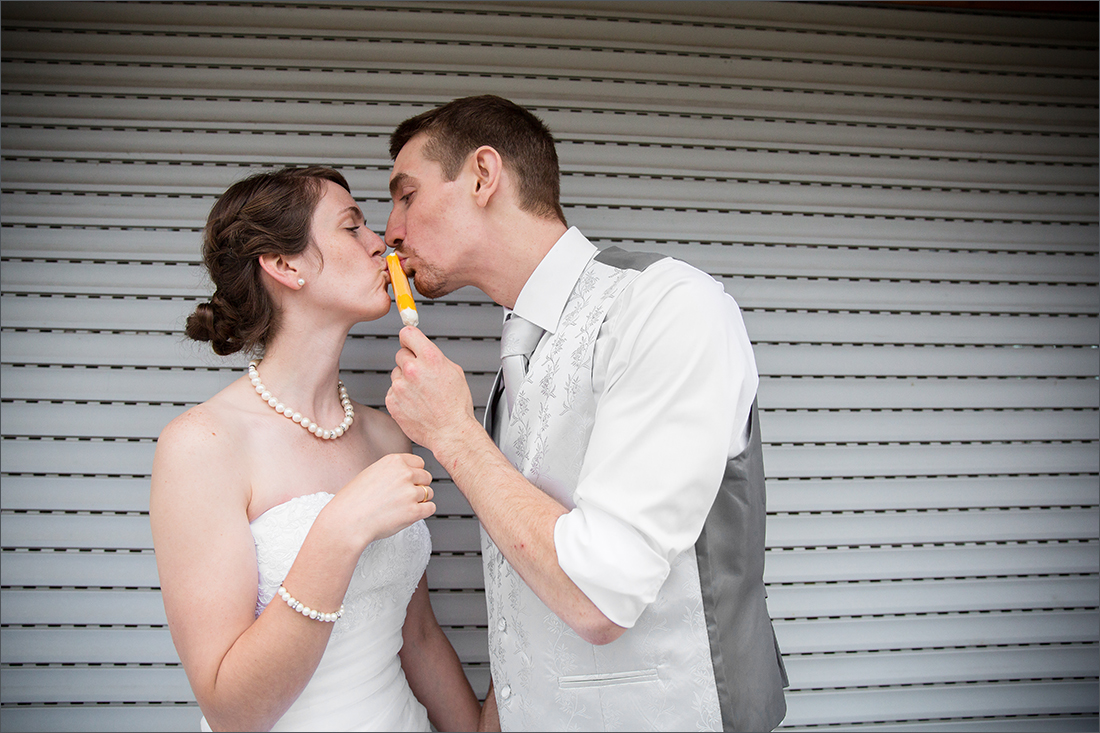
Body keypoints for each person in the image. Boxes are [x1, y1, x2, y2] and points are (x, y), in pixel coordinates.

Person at [384, 96, 788, 732]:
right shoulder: (519, 356)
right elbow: (531, 572)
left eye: (406, 195)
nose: (391, 232)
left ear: (484, 176)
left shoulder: (665, 306)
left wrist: (453, 436)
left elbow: (599, 593)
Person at [149, 166, 481, 732]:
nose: (383, 241)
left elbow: (418, 636)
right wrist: (339, 529)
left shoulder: (385, 435)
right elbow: (232, 712)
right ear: (285, 266)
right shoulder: (202, 446)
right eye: (352, 227)